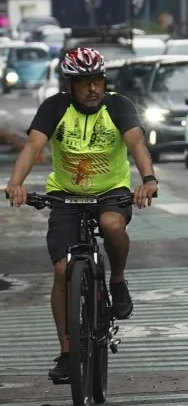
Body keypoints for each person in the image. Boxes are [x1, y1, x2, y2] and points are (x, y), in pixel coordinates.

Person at [4, 47, 158, 383]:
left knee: (111, 223)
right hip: (66, 195)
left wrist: (148, 180)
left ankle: (117, 280)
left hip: (111, 192)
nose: (93, 88)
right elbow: (33, 147)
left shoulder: (120, 106)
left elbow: (136, 145)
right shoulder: (55, 107)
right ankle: (68, 352)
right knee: (62, 270)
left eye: (98, 80)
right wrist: (15, 184)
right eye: (84, 82)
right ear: (70, 85)